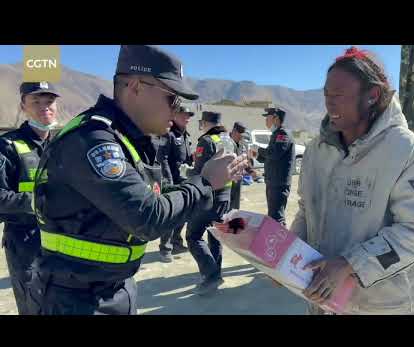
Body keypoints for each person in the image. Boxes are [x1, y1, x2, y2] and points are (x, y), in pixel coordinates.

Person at [27, 45, 247, 315]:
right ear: (135, 87)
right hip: (74, 298)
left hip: (109, 288)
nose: (177, 109)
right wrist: (204, 182)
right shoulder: (93, 140)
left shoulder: (128, 139)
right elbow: (147, 217)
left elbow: (152, 197)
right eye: (172, 99)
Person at [290, 47, 414, 315]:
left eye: (339, 96)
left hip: (381, 306)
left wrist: (350, 264)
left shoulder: (405, 151)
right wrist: (284, 253)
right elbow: (307, 210)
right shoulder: (317, 150)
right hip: (322, 302)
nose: (329, 104)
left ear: (372, 95)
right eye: (327, 95)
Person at [0, 82, 59, 314]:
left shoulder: (60, 144)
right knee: (33, 307)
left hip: (61, 241)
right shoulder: (7, 146)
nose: (44, 107)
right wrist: (38, 203)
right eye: (36, 101)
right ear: (23, 106)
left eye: (49, 101)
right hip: (26, 244)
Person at [187, 111, 232, 296]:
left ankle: (211, 275)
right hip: (225, 195)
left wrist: (187, 173)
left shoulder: (206, 141)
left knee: (193, 236)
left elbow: (199, 172)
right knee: (215, 235)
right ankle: (217, 273)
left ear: (206, 123)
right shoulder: (227, 139)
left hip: (208, 196)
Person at [157, 106, 195, 263]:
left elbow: (187, 158)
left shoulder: (185, 135)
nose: (187, 118)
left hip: (184, 180)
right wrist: (168, 180)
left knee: (184, 213)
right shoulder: (169, 134)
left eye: (189, 115)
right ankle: (165, 247)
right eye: (184, 115)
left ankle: (176, 241)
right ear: (175, 115)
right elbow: (162, 158)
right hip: (172, 180)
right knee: (172, 215)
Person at [250, 107, 295, 226]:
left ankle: (281, 243)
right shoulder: (276, 134)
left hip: (279, 183)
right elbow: (270, 157)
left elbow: (275, 154)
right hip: (273, 181)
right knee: (273, 215)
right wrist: (257, 155)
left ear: (276, 118)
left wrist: (258, 149)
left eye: (268, 118)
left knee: (277, 218)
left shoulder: (283, 134)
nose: (266, 121)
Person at [229, 121, 248, 210]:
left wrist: (250, 171)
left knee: (235, 207)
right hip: (227, 180)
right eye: (240, 134)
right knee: (226, 206)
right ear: (234, 131)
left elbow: (244, 159)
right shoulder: (226, 142)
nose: (241, 137)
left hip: (238, 179)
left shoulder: (240, 144)